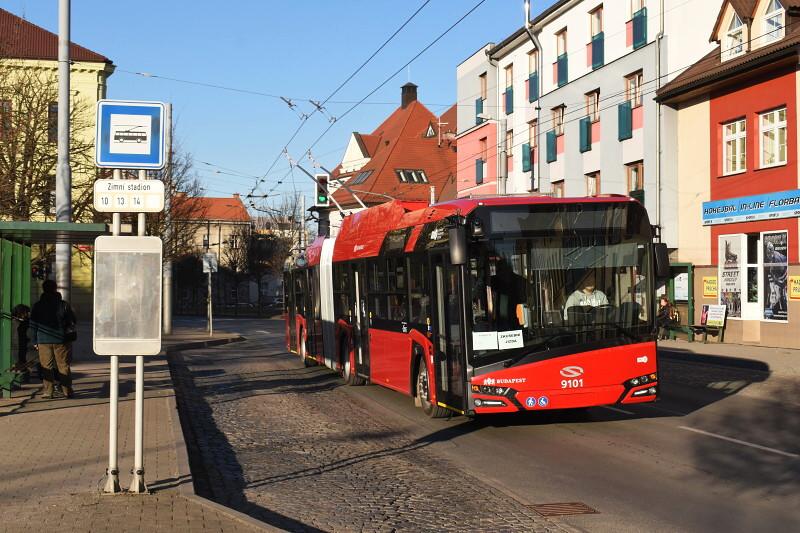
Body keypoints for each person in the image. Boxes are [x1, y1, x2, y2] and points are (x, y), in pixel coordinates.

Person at [30, 280, 76, 399]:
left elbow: (33, 324)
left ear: (43, 289)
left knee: (46, 366)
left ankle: (48, 392)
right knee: (63, 365)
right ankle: (67, 391)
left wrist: (35, 341)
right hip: (61, 340)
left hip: (43, 340)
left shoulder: (38, 305)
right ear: (56, 289)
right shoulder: (63, 304)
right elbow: (72, 320)